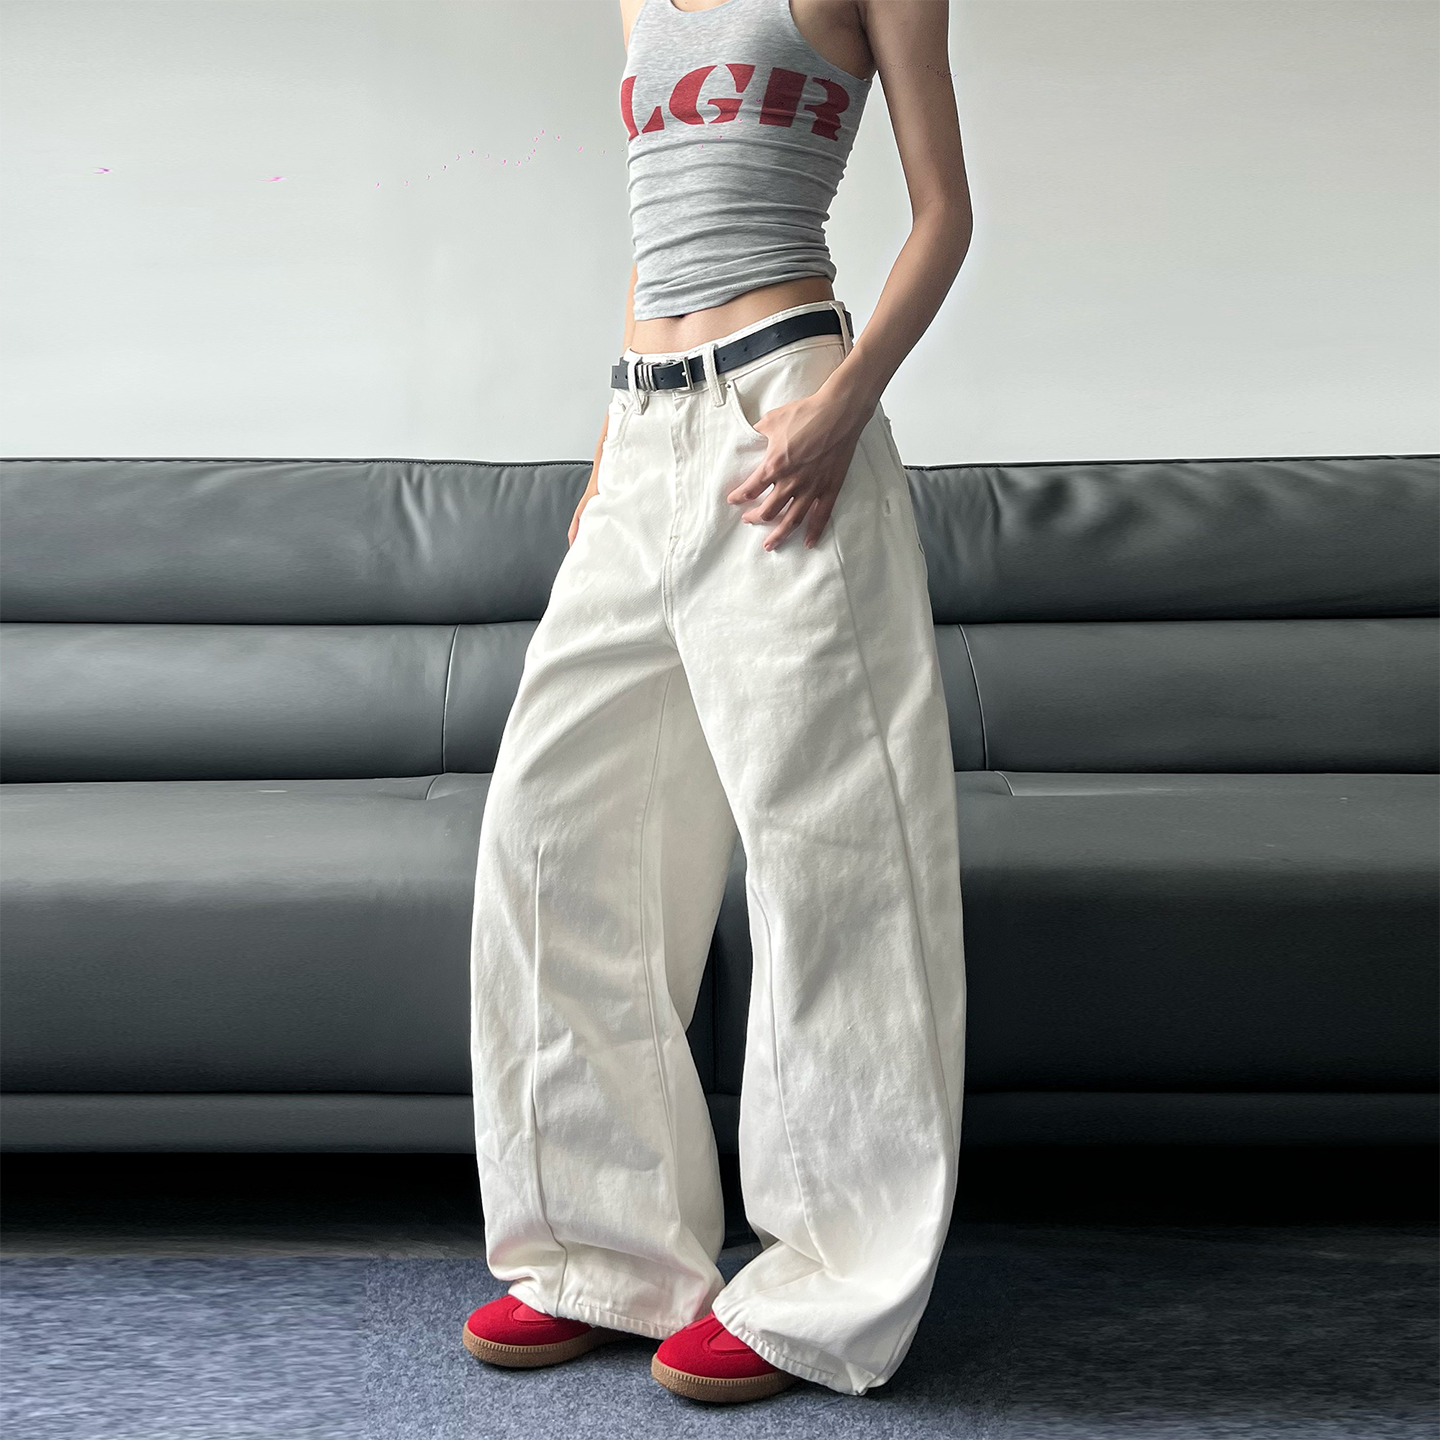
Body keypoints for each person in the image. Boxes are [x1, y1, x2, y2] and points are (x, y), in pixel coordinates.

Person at [461, 0, 973, 1405]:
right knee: (555, 837)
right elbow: (659, 235)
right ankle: (602, 1253)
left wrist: (844, 404)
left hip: (784, 409)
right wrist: (611, 452)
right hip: (643, 429)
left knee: (833, 860)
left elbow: (943, 215)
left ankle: (830, 1285)